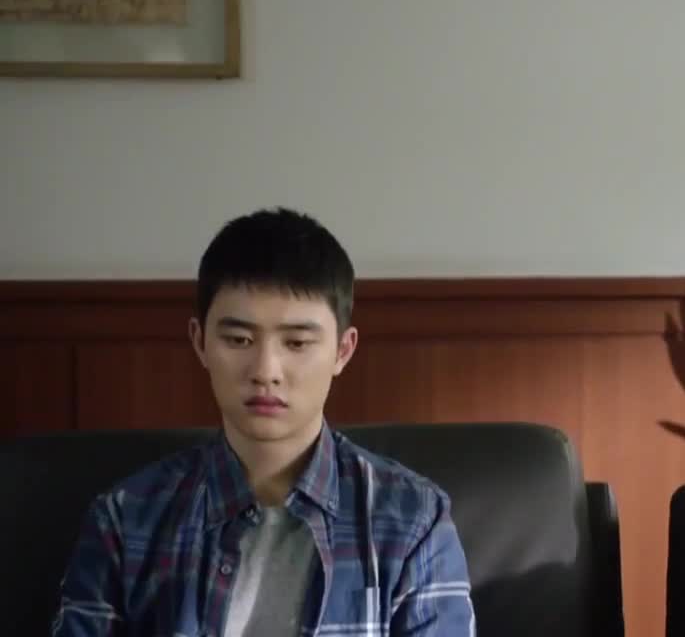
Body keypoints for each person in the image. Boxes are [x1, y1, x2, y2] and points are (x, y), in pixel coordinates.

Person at [52, 207, 475, 637]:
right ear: (200, 342)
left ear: (342, 351)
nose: (266, 371)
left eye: (297, 343)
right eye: (239, 340)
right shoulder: (125, 519)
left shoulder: (412, 520)